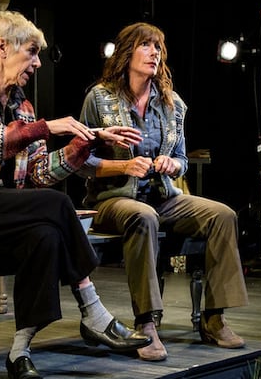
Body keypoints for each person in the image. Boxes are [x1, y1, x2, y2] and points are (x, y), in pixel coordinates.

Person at [0, 10, 152, 379]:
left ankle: (18, 353)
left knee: (46, 234)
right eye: (32, 51)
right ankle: (93, 310)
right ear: (3, 47)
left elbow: (40, 174)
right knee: (56, 205)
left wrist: (85, 143)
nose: (38, 62)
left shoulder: (21, 104)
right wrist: (46, 127)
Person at [77, 22, 249, 362]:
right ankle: (148, 323)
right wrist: (123, 167)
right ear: (128, 53)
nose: (155, 53)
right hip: (113, 200)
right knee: (143, 216)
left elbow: (183, 159)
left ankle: (213, 318)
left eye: (158, 48)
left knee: (222, 215)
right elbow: (80, 160)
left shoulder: (172, 104)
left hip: (162, 196)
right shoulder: (99, 98)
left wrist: (173, 165)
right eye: (146, 45)